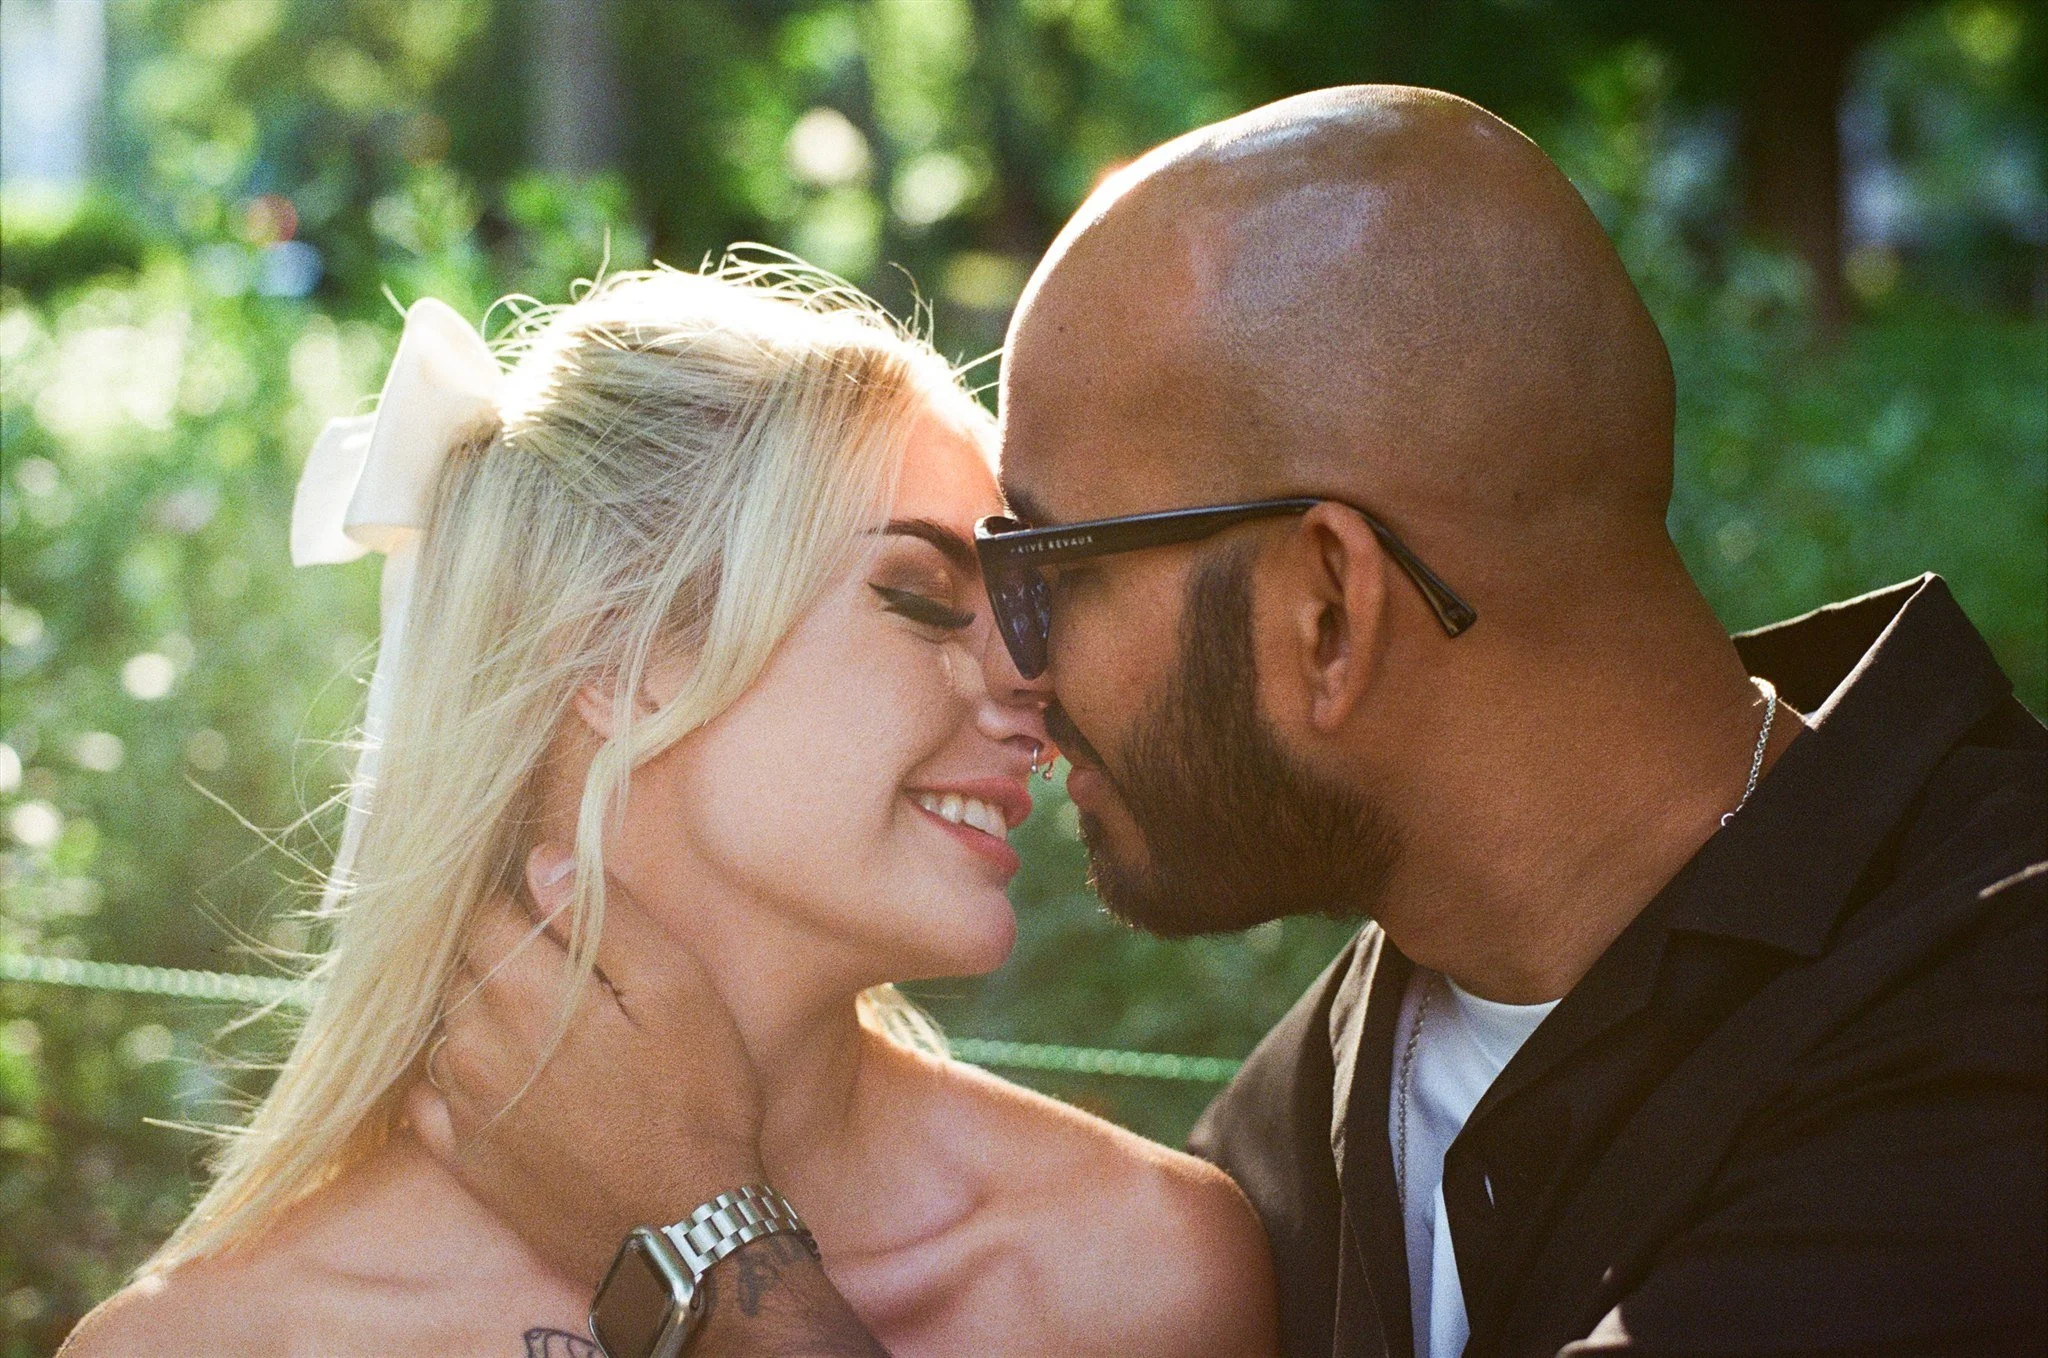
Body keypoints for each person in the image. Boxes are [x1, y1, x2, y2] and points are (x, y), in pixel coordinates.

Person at [409, 86, 2047, 1356]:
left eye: (1042, 568)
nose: (1013, 669)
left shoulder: (1991, 1031)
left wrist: (715, 1258)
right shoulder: (1318, 1103)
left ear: (1323, 613)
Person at [58, 265, 1277, 1357]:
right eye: (916, 594)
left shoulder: (1139, 1268)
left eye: (1023, 610)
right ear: (614, 645)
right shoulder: (228, 1337)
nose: (1035, 681)